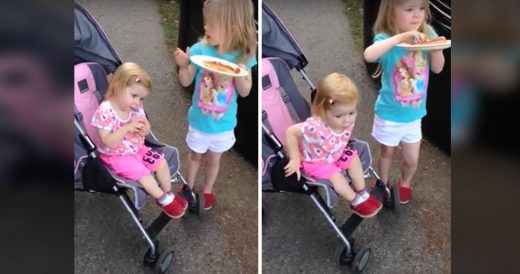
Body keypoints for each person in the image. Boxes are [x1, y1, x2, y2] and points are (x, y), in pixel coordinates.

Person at [173, 0, 257, 210]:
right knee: (194, 156)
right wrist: (184, 66)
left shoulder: (243, 56)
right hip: (199, 120)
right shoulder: (200, 50)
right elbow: (186, 81)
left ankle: (208, 190)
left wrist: (240, 72)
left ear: (232, 29)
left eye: (211, 24)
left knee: (213, 160)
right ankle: (188, 186)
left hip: (224, 124)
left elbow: (245, 91)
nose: (205, 28)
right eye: (205, 22)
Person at [363, 0, 446, 204]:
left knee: (412, 159)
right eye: (409, 9)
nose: (417, 15)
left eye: (421, 9)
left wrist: (436, 48)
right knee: (387, 152)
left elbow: (437, 68)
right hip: (389, 113)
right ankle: (382, 183)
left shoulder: (428, 33)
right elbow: (369, 55)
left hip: (413, 116)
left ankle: (405, 182)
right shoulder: (387, 38)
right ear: (391, 13)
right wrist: (401, 37)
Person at [91, 62, 187, 218]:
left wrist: (145, 129)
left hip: (138, 149)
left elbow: (146, 127)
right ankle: (163, 199)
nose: (138, 102)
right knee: (143, 174)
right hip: (115, 156)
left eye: (141, 98)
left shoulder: (136, 107)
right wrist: (125, 129)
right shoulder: (105, 111)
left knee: (161, 162)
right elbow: (107, 141)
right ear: (117, 86)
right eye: (134, 95)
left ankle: (168, 194)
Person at [284, 73, 382, 218]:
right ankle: (355, 201)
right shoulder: (315, 127)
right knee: (336, 177)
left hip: (335, 153)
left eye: (351, 112)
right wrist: (294, 158)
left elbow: (342, 135)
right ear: (323, 111)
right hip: (316, 161)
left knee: (354, 159)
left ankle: (361, 192)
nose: (347, 120)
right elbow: (291, 132)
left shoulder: (345, 120)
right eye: (339, 116)